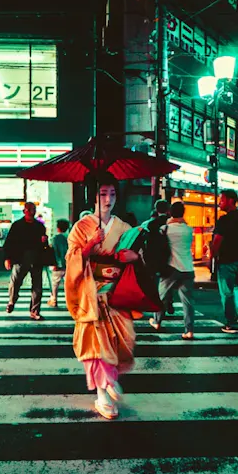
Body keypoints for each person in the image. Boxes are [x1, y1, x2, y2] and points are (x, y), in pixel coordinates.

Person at [65, 174, 140, 419]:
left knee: (122, 340)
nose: (108, 200)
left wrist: (133, 258)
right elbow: (72, 260)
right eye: (102, 194)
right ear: (93, 197)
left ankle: (110, 379)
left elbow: (137, 256)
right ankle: (102, 393)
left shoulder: (124, 227)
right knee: (96, 346)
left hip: (116, 294)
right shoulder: (81, 227)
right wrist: (89, 246)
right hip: (91, 294)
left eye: (112, 194)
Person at [149, 201, 196, 339]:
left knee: (161, 296)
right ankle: (189, 330)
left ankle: (157, 321)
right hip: (188, 268)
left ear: (170, 212)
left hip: (172, 267)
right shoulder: (189, 229)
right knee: (187, 301)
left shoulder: (166, 229)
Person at [211, 189, 238, 334]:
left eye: (221, 200)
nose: (219, 203)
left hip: (227, 260)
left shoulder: (224, 221)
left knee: (227, 292)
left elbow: (217, 240)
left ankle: (231, 322)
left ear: (230, 200)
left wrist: (212, 256)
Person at [4, 201, 48, 320]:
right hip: (20, 258)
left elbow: (45, 244)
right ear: (24, 211)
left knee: (37, 287)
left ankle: (34, 311)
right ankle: (12, 301)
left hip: (36, 258)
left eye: (33, 209)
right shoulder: (17, 225)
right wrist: (7, 258)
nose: (31, 212)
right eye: (28, 210)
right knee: (15, 282)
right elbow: (9, 242)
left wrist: (44, 241)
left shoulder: (39, 226)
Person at [47, 219, 70, 308]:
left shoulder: (55, 239)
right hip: (68, 264)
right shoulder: (69, 237)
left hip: (58, 265)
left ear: (58, 228)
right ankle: (69, 301)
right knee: (68, 284)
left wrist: (55, 263)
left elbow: (54, 252)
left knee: (55, 283)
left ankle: (54, 300)